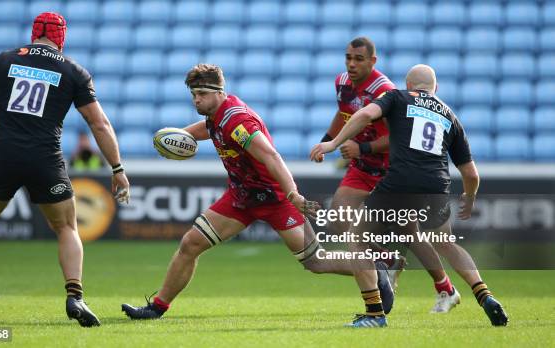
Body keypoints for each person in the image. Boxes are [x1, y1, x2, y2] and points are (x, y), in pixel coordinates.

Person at [121, 64, 394, 327]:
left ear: (219, 92)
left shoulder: (238, 120)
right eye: (193, 95)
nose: (196, 100)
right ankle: (157, 307)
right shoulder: (217, 116)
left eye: (202, 94)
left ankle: (374, 269)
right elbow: (209, 128)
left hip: (275, 199)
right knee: (191, 243)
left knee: (316, 262)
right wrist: (181, 135)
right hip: (241, 198)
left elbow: (271, 156)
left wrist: (293, 194)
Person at [0, 12, 130, 327]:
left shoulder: (2, 61)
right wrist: (117, 168)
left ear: (34, 33)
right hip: (46, 160)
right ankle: (75, 296)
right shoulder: (73, 71)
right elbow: (99, 123)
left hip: (3, 158)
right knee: (66, 228)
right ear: (61, 37)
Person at [310, 64, 509, 326]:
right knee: (446, 243)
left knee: (356, 238)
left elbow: (364, 115)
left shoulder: (397, 97)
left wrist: (333, 143)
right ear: (435, 88)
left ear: (408, 84)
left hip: (400, 182)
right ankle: (484, 294)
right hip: (436, 186)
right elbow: (471, 174)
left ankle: (374, 314)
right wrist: (469, 199)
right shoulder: (450, 116)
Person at [319, 37, 461, 313]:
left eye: (358, 59)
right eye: (348, 57)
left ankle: (444, 286)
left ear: (373, 61)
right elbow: (344, 113)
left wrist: (362, 147)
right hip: (362, 167)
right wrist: (328, 139)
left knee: (411, 234)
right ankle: (384, 258)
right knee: (338, 216)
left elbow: (398, 136)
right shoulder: (342, 83)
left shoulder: (383, 90)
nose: (351, 64)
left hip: (389, 168)